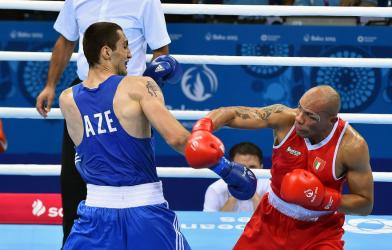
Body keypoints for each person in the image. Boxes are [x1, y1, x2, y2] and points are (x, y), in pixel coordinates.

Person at [59, 21, 257, 249]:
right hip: (144, 211)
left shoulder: (67, 99)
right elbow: (180, 140)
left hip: (95, 213)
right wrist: (226, 169)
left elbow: (93, 148)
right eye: (124, 46)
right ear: (106, 52)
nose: (130, 53)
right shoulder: (140, 86)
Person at [35, 0, 171, 244]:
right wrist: (50, 85)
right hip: (84, 94)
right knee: (74, 178)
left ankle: (138, 240)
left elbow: (161, 50)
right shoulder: (76, 0)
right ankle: (73, 243)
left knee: (132, 176)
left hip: (127, 96)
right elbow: (66, 41)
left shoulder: (145, 2)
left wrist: (148, 91)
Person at [186, 85, 373, 249]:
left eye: (310, 116)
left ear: (331, 121)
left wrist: (323, 198)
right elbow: (232, 113)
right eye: (300, 108)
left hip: (321, 231)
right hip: (270, 220)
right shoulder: (285, 119)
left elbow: (365, 204)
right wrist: (203, 128)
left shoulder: (351, 146)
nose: (299, 118)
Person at [203, 142, 270, 212]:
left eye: (252, 167)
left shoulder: (270, 187)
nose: (246, 172)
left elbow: (271, 221)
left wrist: (251, 191)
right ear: (231, 166)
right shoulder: (216, 189)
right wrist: (235, 194)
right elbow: (210, 221)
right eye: (241, 167)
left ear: (261, 167)